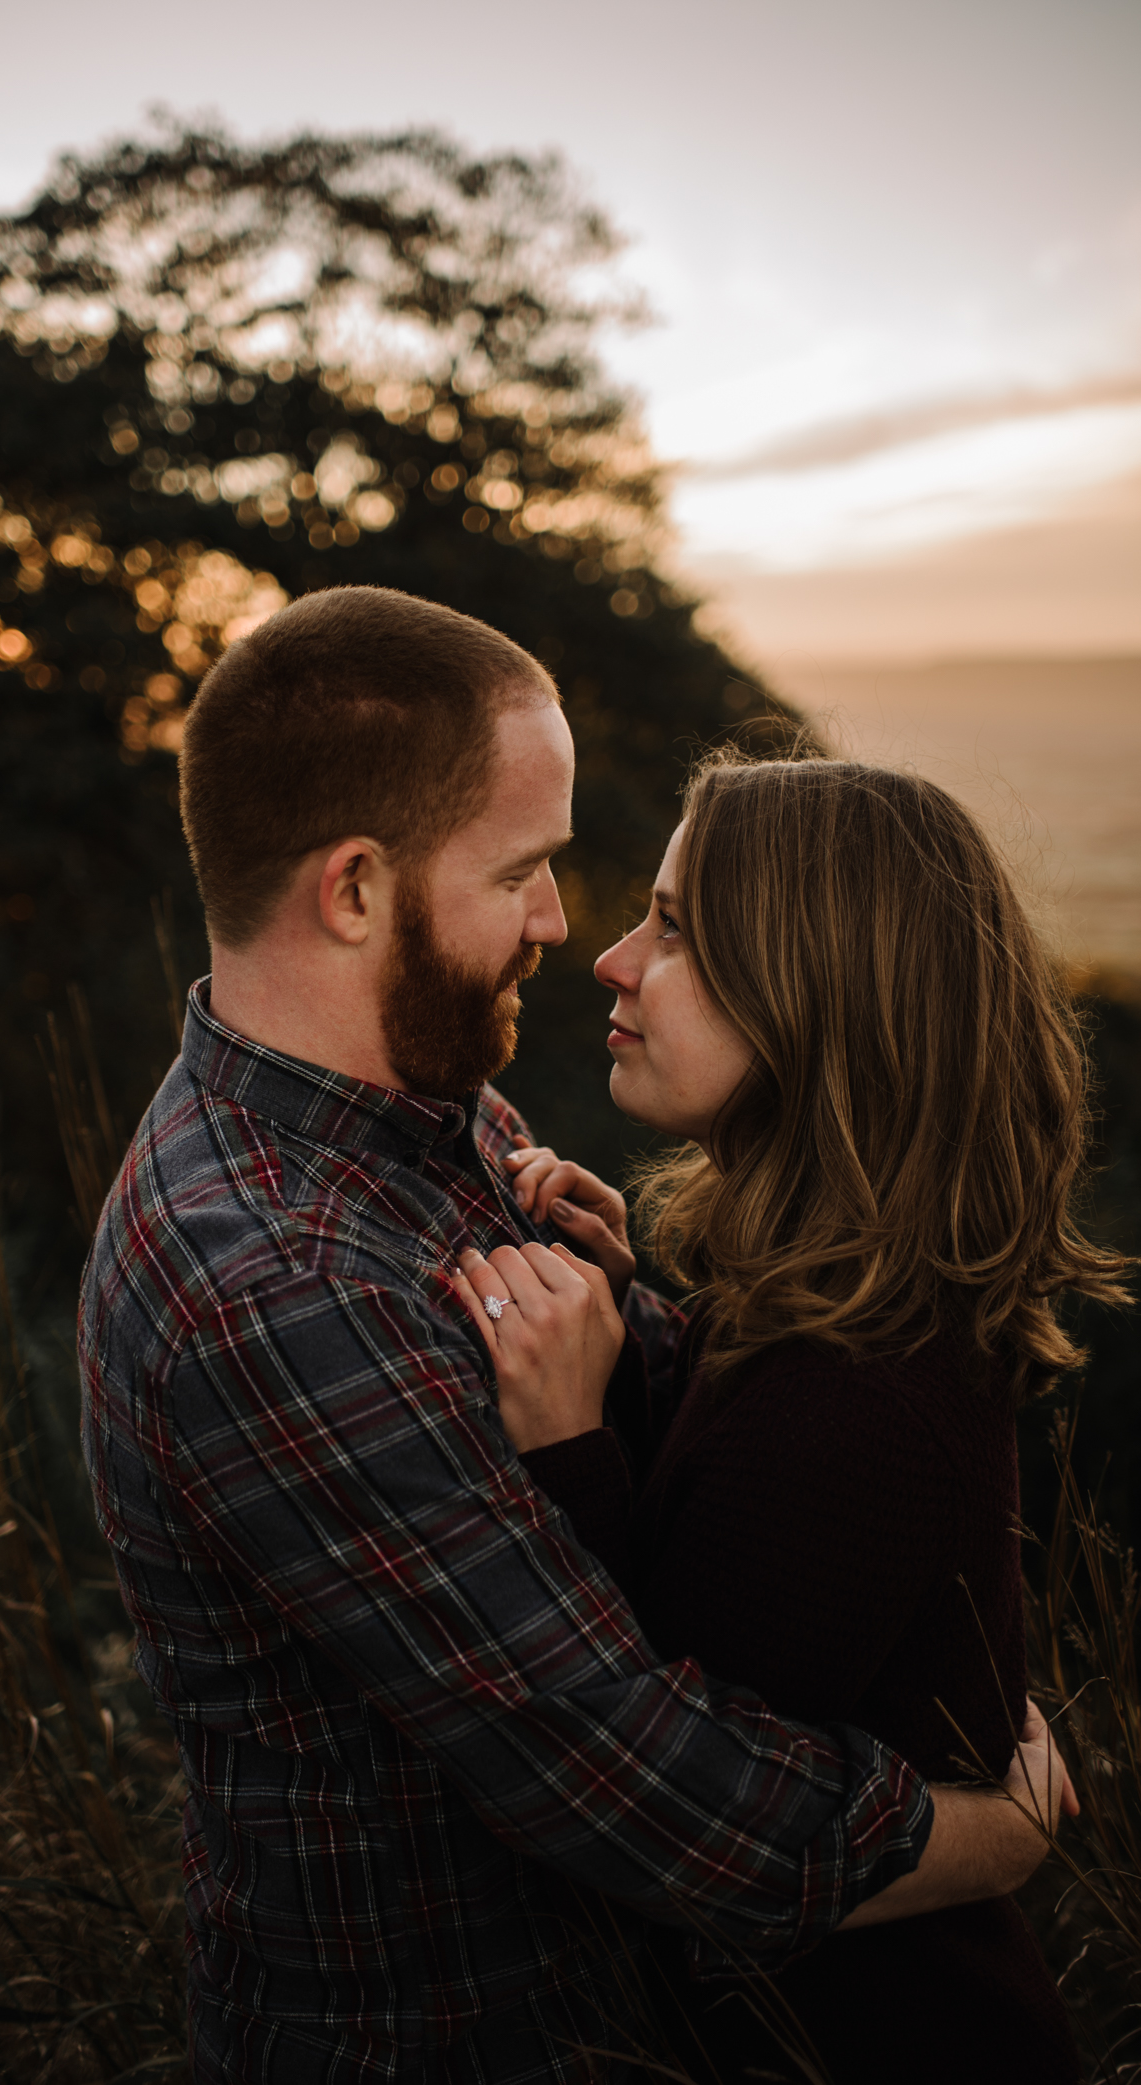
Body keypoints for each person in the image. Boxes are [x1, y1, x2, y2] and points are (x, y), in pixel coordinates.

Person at [79, 590, 1071, 2084]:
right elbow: (642, 1783)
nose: (564, 925)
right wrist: (983, 1829)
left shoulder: (428, 1107)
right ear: (354, 888)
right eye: (524, 871)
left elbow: (748, 1497)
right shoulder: (278, 1282)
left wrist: (638, 1322)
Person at [458, 750, 1123, 2083]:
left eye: (679, 930)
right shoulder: (826, 1309)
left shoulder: (862, 1394)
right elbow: (741, 1552)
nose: (612, 959)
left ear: (821, 989)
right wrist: (639, 1331)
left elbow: (666, 1797)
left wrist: (573, 1444)